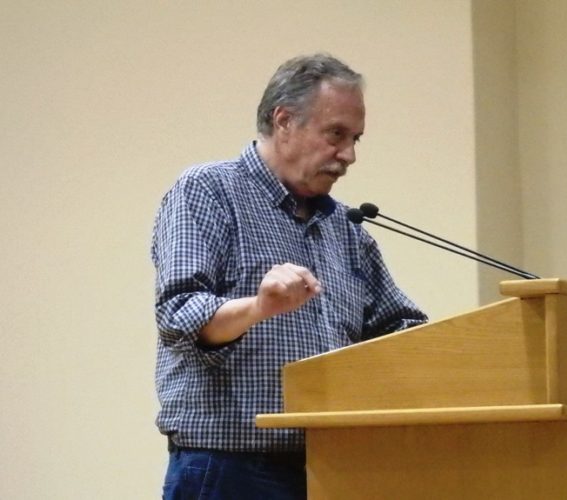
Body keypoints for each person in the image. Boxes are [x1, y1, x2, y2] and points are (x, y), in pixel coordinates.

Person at [151, 53, 428, 499]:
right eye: (336, 134)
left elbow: (400, 329)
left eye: (355, 138)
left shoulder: (346, 228)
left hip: (330, 467)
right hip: (228, 469)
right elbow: (180, 317)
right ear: (284, 121)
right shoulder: (208, 190)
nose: (349, 155)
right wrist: (259, 307)